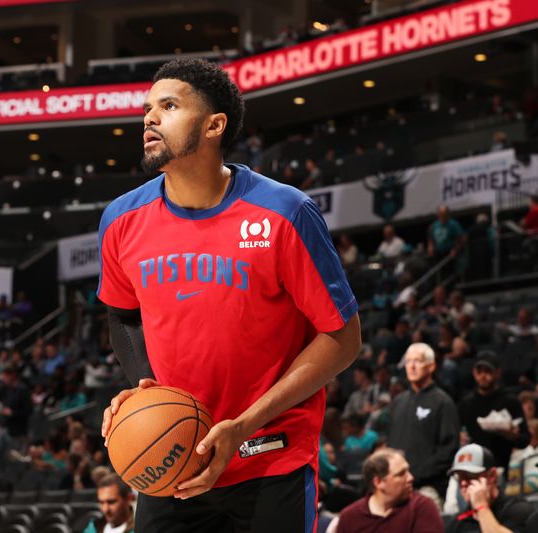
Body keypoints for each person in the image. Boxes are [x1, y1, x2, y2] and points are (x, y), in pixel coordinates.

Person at [98, 58, 361, 532]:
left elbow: (342, 338)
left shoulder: (286, 212)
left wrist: (242, 424)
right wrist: (144, 388)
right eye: (147, 108)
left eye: (169, 105)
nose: (149, 118)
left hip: (270, 457)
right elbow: (122, 317)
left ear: (215, 124)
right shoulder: (120, 220)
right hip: (172, 463)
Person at [388, 343, 460, 506]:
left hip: (428, 487)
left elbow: (448, 451)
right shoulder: (398, 401)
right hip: (396, 486)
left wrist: (415, 474)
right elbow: (391, 444)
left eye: (418, 361)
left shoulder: (443, 402)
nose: (411, 366)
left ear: (431, 366)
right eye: (408, 361)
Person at [334, 448, 444, 532]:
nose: (411, 478)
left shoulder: (422, 507)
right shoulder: (349, 517)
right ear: (378, 482)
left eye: (408, 471)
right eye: (401, 474)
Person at [458, 353, 531, 473]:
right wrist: (460, 437)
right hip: (471, 467)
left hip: (500, 467)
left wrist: (512, 435)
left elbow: (525, 440)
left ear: (498, 373)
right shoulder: (466, 403)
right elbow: (456, 433)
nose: (483, 376)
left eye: (488, 371)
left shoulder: (510, 401)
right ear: (474, 373)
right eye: (479, 372)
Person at [445, 444, 533, 532]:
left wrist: (481, 507)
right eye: (460, 477)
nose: (463, 483)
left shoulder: (517, 509)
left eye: (470, 475)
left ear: (492, 476)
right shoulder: (458, 521)